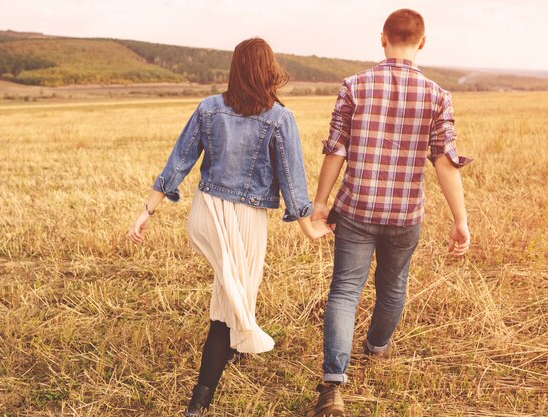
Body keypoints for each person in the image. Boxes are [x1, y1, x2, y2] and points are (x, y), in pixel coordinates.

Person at [129, 38, 331, 417]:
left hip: (205, 212)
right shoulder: (279, 117)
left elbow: (179, 162)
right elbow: (292, 179)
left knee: (233, 287)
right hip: (245, 218)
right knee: (228, 302)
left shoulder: (209, 108)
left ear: (235, 69)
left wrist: (147, 210)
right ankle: (198, 403)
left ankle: (234, 347)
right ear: (269, 70)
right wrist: (309, 227)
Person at [306, 9, 472, 417]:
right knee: (393, 287)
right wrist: (460, 219)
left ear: (383, 38)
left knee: (345, 290)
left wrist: (321, 202)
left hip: (356, 208)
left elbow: (336, 149)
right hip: (404, 215)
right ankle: (376, 347)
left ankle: (332, 389)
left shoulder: (355, 86)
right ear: (422, 42)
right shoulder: (437, 95)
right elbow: (444, 161)